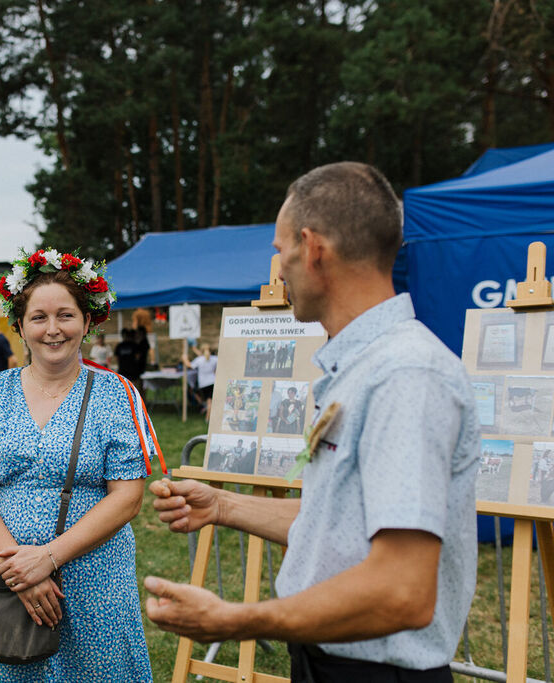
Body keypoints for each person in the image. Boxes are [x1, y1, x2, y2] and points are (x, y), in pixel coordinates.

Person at [146, 162, 479, 681]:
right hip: (333, 661)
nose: (278, 269)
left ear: (313, 247)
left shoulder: (404, 374)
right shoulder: (364, 366)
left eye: (280, 251)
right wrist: (223, 505)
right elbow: (341, 525)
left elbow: (403, 591)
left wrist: (237, 619)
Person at [0, 248, 159, 681]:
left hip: (94, 577)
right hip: (9, 579)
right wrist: (20, 570)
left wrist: (47, 558)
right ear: (20, 326)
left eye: (65, 315)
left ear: (87, 322)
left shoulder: (117, 393)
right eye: (38, 317)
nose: (52, 329)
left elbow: (127, 497)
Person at [182, 344, 217, 416]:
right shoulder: (215, 359)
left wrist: (184, 359)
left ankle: (208, 417)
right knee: (210, 400)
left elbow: (189, 365)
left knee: (209, 401)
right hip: (213, 381)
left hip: (203, 383)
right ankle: (208, 416)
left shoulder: (199, 360)